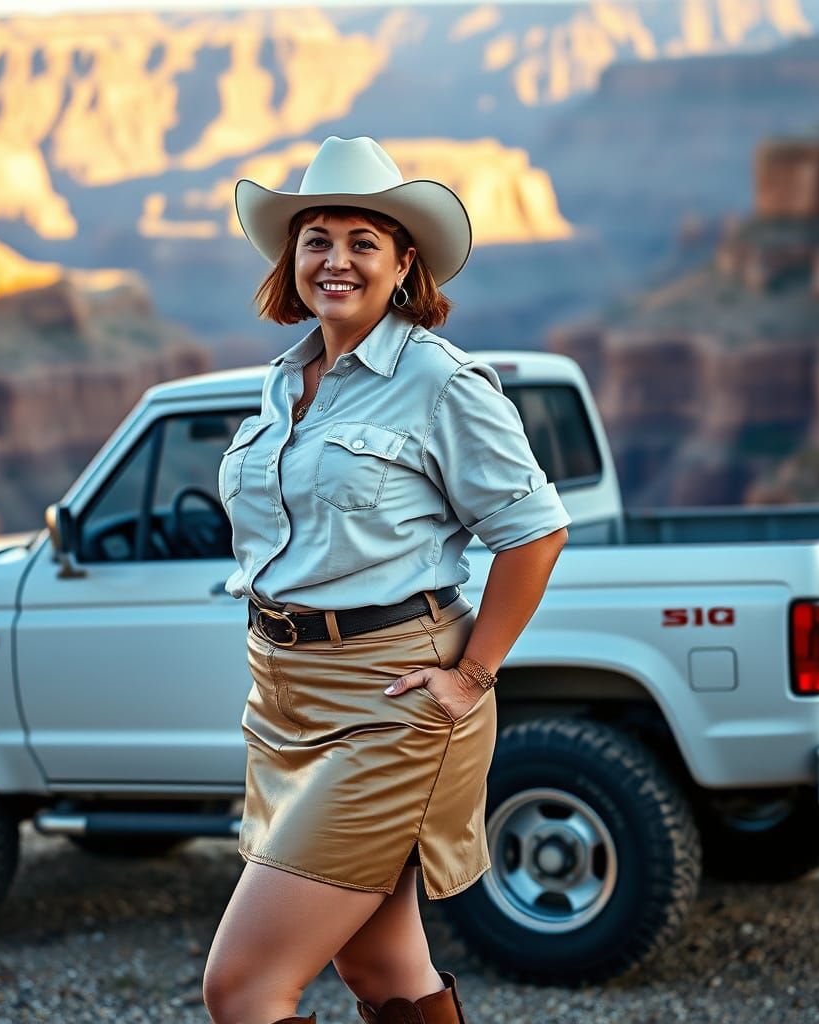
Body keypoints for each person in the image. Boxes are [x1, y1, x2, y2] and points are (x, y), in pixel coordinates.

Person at [205, 136, 571, 1024]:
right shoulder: (285, 382)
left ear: (404, 263)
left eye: (362, 242)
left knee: (243, 988)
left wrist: (472, 675)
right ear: (291, 258)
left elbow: (535, 533)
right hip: (282, 702)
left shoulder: (440, 382)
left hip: (391, 700)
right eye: (316, 240)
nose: (336, 260)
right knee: (383, 969)